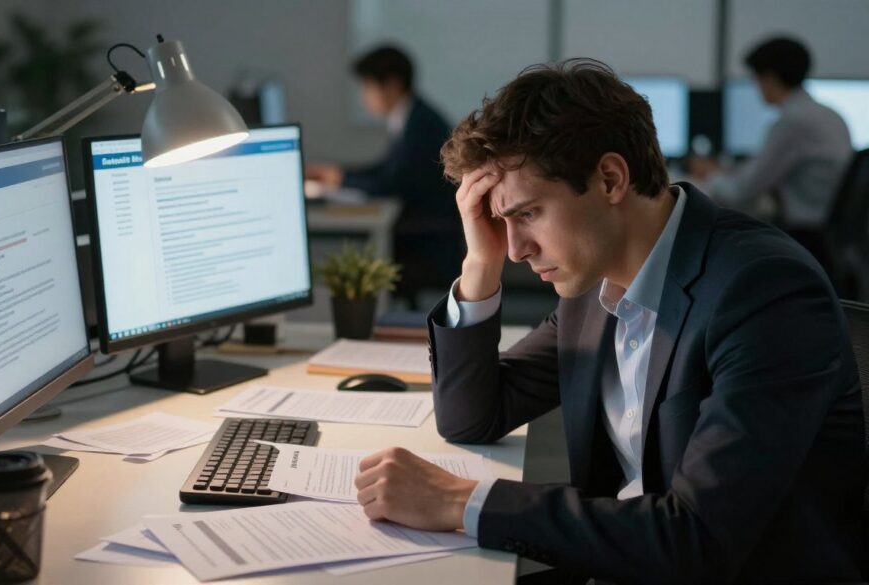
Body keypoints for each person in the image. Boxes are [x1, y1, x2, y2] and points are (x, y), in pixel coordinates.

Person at [354, 59, 866, 583]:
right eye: (501, 221)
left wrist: (463, 501)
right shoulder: (592, 283)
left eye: (527, 214)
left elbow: (699, 540)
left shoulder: (763, 292)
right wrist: (478, 265)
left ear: (610, 179)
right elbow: (472, 416)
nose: (515, 250)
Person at [306, 45, 460, 306]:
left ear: (391, 84)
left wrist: (339, 179)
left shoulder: (421, 125)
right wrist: (337, 175)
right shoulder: (412, 116)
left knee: (354, 260)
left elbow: (390, 183)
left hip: (430, 242)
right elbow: (386, 168)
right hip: (427, 230)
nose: (364, 97)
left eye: (367, 86)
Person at [690, 36, 852, 267]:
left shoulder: (793, 122)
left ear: (769, 78)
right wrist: (726, 170)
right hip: (830, 235)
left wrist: (709, 176)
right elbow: (764, 169)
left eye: (756, 79)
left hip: (806, 236)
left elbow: (741, 191)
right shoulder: (829, 115)